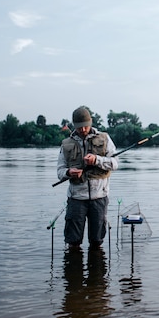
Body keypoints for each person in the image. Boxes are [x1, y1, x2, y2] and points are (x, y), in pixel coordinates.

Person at [57, 106, 119, 250]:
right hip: (76, 199)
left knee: (97, 242)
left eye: (85, 126)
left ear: (90, 123)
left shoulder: (104, 138)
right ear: (74, 126)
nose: (83, 130)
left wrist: (97, 160)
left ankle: (96, 271)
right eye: (79, 127)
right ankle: (73, 271)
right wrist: (68, 172)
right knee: (73, 242)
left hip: (99, 197)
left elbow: (114, 164)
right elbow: (60, 171)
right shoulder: (66, 144)